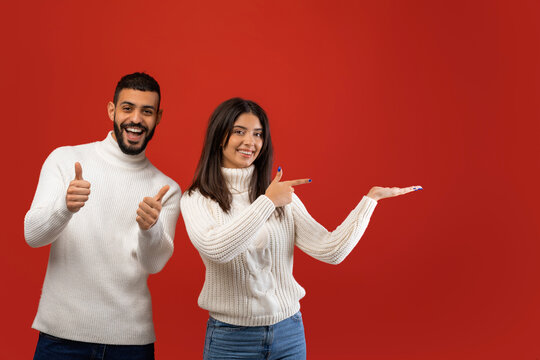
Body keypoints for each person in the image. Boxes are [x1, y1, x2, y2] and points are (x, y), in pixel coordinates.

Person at [180, 97, 422, 360]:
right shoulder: (197, 199)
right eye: (239, 131)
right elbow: (218, 249)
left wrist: (369, 201)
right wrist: (267, 202)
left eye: (258, 134)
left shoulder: (281, 195)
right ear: (219, 136)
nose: (251, 142)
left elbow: (331, 251)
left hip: (288, 334)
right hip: (231, 340)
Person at [24, 72, 182, 360]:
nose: (136, 119)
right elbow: (32, 236)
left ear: (158, 117)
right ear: (111, 110)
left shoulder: (166, 188)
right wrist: (65, 207)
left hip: (131, 343)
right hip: (61, 337)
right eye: (127, 108)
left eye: (147, 111)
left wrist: (150, 229)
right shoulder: (65, 159)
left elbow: (155, 263)